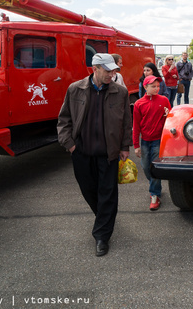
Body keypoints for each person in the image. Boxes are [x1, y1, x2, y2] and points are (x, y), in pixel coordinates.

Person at [57, 53, 131, 257]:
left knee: (108, 194)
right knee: (89, 190)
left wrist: (125, 146)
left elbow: (126, 122)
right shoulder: (75, 89)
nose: (112, 74)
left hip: (109, 153)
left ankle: (101, 236)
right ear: (94, 69)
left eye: (114, 70)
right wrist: (69, 144)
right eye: (108, 70)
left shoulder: (120, 92)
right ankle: (104, 218)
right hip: (81, 152)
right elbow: (64, 120)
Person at [132, 75, 171, 211]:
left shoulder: (164, 100)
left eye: (158, 86)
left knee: (154, 168)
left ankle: (154, 195)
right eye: (153, 86)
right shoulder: (138, 104)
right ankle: (155, 185)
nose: (157, 88)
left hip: (158, 140)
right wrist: (136, 145)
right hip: (145, 141)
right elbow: (136, 126)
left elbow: (171, 118)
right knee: (145, 167)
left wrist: (169, 114)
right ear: (145, 87)